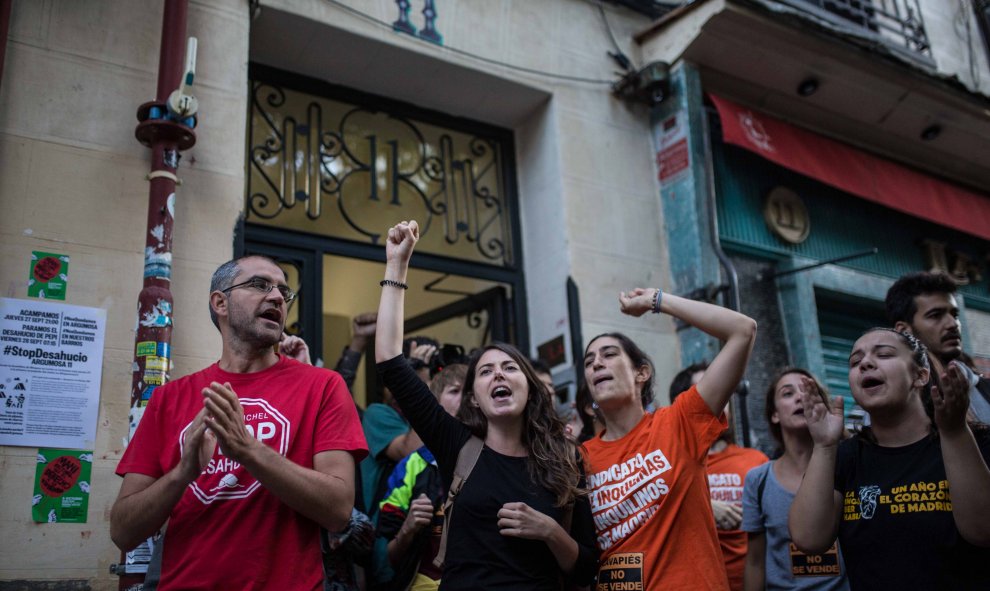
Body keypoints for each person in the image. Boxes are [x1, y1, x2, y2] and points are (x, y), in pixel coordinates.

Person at [110, 255, 368, 590]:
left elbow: (338, 509)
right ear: (220, 302)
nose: (277, 297)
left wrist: (247, 449)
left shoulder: (323, 387)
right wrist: (182, 474)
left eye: (283, 292)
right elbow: (122, 532)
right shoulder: (170, 399)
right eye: (260, 285)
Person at [376, 220, 597, 590]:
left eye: (510, 368)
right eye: (486, 372)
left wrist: (550, 531)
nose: (498, 376)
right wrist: (396, 266)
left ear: (529, 387)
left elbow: (586, 567)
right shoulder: (456, 445)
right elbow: (390, 361)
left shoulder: (565, 459)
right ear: (474, 398)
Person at [581, 287, 757, 590]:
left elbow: (742, 330)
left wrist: (656, 300)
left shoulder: (679, 423)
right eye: (589, 361)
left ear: (642, 373)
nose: (596, 363)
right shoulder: (579, 457)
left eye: (609, 355)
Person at [789, 328, 990, 589]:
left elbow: (983, 531)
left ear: (920, 375)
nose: (866, 363)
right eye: (855, 361)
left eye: (883, 354)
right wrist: (824, 445)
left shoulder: (974, 441)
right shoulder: (846, 456)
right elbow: (808, 540)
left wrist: (953, 433)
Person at [741, 368, 848, 591]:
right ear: (774, 414)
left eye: (807, 391)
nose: (800, 397)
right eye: (788, 393)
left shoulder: (847, 465)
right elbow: (755, 562)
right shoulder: (758, 480)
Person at [669, 363, 769, 591]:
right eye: (709, 392)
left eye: (724, 392)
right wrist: (702, 505)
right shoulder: (666, 466)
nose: (719, 400)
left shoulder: (757, 461)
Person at [377, 363, 467, 591]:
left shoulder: (497, 455)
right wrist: (408, 528)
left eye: (470, 392)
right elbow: (385, 558)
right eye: (455, 391)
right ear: (434, 403)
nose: (465, 399)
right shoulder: (412, 466)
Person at [886, 271, 990, 422]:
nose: (953, 324)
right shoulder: (886, 399)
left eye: (954, 315)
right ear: (904, 330)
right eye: (935, 315)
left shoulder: (985, 389)